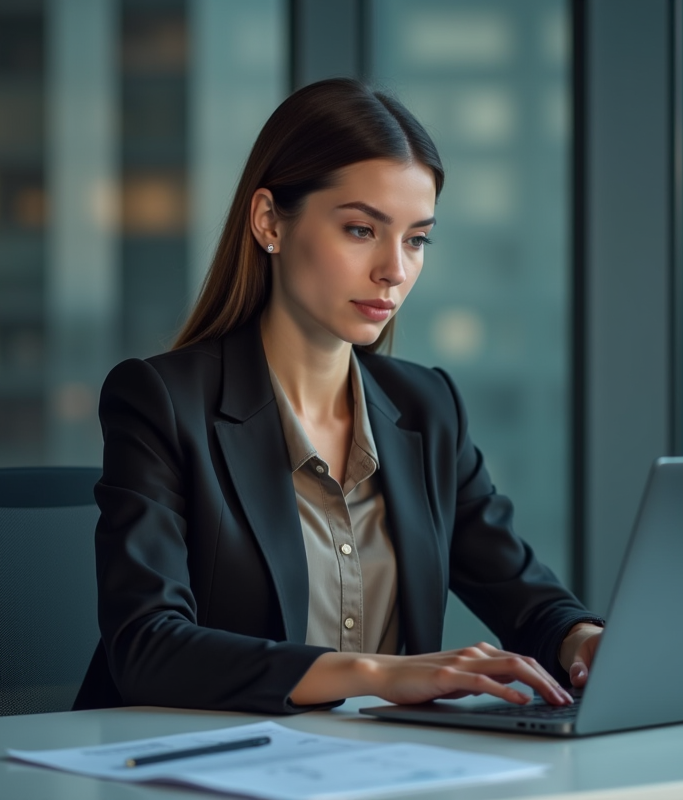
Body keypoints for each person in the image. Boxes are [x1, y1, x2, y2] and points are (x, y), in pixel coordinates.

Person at [76, 78, 604, 716]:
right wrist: (376, 673)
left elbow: (525, 596)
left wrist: (582, 639)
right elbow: (146, 646)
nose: (394, 270)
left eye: (416, 239)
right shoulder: (162, 400)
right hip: (193, 757)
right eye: (360, 229)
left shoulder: (428, 408)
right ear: (269, 221)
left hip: (374, 761)